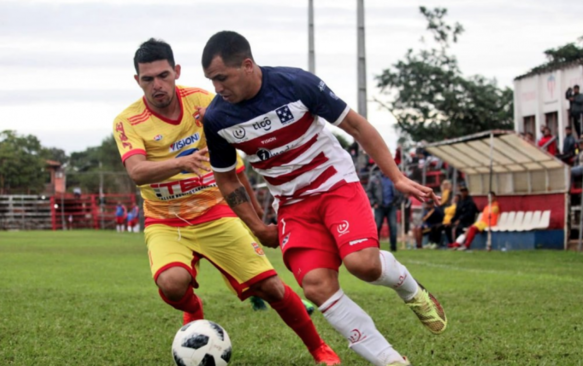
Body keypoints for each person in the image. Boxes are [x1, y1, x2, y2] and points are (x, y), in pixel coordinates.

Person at [200, 31, 446, 366]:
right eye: (212, 81)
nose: (217, 89)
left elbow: (357, 127)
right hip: (292, 205)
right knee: (316, 285)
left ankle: (411, 289)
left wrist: (398, 178)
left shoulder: (296, 84)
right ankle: (390, 361)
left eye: (221, 78)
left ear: (246, 65)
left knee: (363, 265)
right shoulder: (217, 118)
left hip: (335, 185)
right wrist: (258, 226)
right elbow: (226, 176)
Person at [112, 38, 339, 365]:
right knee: (172, 283)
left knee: (272, 289)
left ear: (176, 71)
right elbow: (136, 171)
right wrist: (181, 162)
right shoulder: (127, 120)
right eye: (147, 79)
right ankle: (193, 309)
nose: (157, 85)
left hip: (215, 212)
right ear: (137, 81)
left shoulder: (204, 102)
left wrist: (258, 220)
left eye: (163, 75)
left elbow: (234, 166)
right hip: (166, 220)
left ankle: (320, 349)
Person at [366, 166, 403, 251]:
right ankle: (375, 247)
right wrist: (374, 203)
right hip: (379, 206)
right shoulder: (374, 179)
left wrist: (397, 203)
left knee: (393, 227)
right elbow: (368, 192)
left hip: (391, 206)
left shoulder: (394, 179)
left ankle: (393, 247)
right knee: (377, 227)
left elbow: (401, 191)